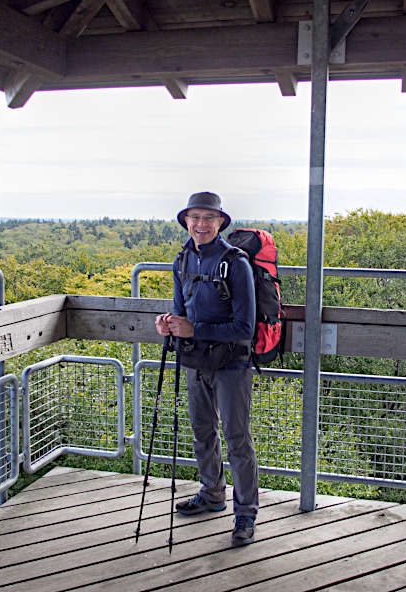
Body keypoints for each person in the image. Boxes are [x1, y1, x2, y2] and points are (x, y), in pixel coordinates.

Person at [155, 191, 259, 547]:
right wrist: (169, 324)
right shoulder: (182, 260)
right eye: (194, 218)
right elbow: (180, 309)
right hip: (195, 360)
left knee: (236, 438)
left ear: (220, 223)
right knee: (202, 431)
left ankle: (245, 514)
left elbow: (246, 327)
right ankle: (212, 494)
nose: (200, 224)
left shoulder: (236, 263)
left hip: (233, 363)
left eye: (208, 218)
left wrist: (194, 330)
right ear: (186, 221)